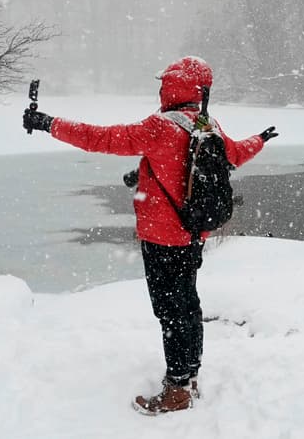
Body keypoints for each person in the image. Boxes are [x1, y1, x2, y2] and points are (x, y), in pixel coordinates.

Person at [22, 56, 278, 415]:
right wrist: (261, 139)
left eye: (164, 82)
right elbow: (232, 155)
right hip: (193, 234)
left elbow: (100, 138)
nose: (159, 88)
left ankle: (176, 389)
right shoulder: (207, 125)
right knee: (188, 305)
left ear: (174, 86)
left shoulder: (160, 127)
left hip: (163, 239)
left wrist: (48, 123)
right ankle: (189, 377)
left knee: (170, 312)